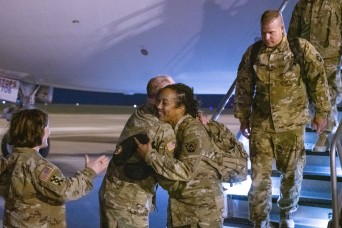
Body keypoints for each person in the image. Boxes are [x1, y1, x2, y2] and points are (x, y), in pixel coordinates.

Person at [233, 10, 331, 228]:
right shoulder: (254, 52)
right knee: (259, 180)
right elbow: (244, 86)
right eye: (263, 33)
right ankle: (260, 220)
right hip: (262, 126)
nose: (267, 37)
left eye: (271, 32)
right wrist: (243, 115)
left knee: (292, 176)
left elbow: (318, 80)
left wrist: (322, 112)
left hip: (292, 126)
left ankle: (287, 213)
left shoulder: (300, 49)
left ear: (282, 28)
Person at [0, 108, 109, 228]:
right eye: (46, 127)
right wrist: (90, 172)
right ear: (36, 131)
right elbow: (65, 190)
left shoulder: (8, 161)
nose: (49, 131)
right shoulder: (39, 167)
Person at [135, 83, 224, 228]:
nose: (158, 106)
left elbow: (185, 171)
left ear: (181, 108)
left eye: (165, 103)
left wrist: (150, 156)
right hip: (182, 210)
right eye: (158, 101)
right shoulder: (174, 128)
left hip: (201, 213)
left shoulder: (192, 131)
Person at [98, 75, 177, 228]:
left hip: (113, 195)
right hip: (128, 203)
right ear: (159, 98)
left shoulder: (142, 112)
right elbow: (168, 176)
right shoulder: (160, 128)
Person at [288, 0, 342, 152]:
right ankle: (315, 128)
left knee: (328, 93)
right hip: (306, 57)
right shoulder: (302, 4)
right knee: (309, 94)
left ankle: (325, 134)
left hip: (330, 57)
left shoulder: (337, 3)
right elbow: (293, 33)